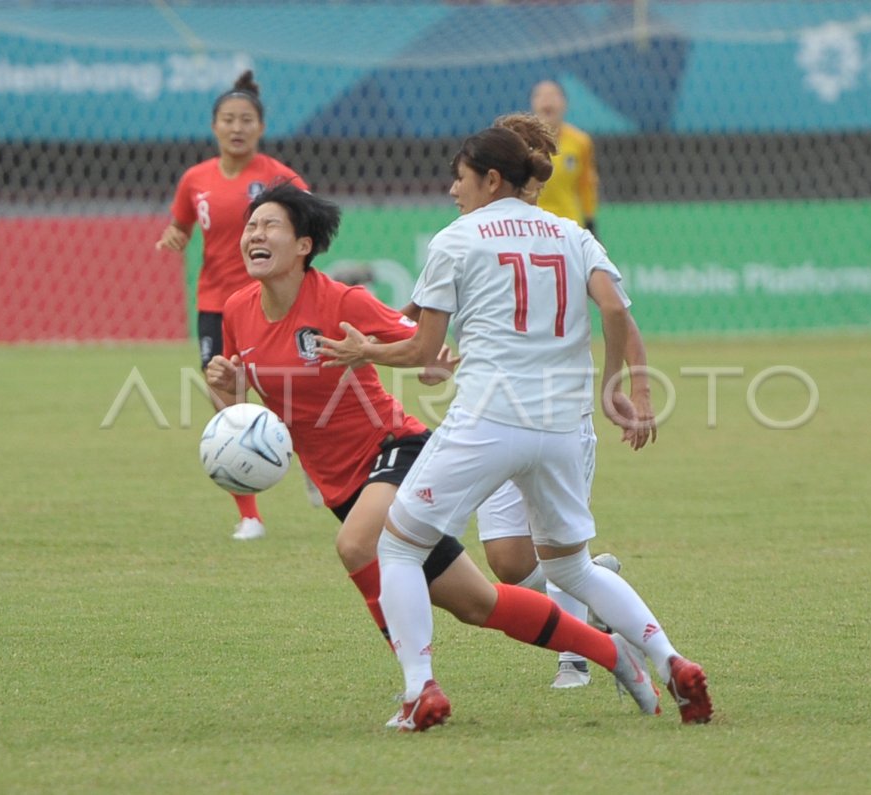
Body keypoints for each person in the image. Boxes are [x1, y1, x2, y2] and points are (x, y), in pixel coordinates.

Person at [203, 183, 664, 730]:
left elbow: (420, 343)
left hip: (394, 448)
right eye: (250, 226)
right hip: (340, 485)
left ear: (304, 244)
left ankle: (420, 690)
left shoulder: (341, 301)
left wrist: (437, 362)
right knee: (478, 603)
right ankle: (615, 655)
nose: (255, 234)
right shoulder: (237, 311)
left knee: (356, 546)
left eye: (269, 225)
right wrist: (227, 391)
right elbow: (250, 418)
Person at [317, 119, 712, 730]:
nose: (453, 189)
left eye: (460, 176)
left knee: (396, 545)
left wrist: (361, 352)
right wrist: (619, 386)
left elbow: (422, 351)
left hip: (489, 419)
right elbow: (612, 307)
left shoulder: (457, 238)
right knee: (570, 567)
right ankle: (671, 661)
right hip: (561, 426)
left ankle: (420, 690)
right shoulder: (569, 232)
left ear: (490, 178)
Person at [391, 111, 656, 691]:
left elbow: (618, 314)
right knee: (510, 562)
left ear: (497, 175)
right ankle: (602, 604)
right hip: (525, 418)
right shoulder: (492, 232)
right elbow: (416, 318)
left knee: (404, 544)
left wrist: (629, 387)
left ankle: (575, 655)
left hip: (511, 417)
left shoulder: (551, 230)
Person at [155, 69, 319, 541]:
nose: (237, 127)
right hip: (217, 305)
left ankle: (310, 459)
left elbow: (312, 223)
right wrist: (175, 235)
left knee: (289, 391)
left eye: (246, 119)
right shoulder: (194, 179)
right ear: (214, 126)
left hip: (270, 303)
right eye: (228, 119)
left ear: (260, 127)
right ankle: (249, 513)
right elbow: (183, 225)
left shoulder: (278, 177)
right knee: (227, 402)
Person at [530, 80, 600, 237]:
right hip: (532, 226)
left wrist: (590, 222)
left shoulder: (580, 141)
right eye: (540, 95)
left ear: (565, 104)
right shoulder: (523, 142)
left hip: (568, 226)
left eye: (554, 95)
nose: (547, 100)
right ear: (533, 104)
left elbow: (586, 185)